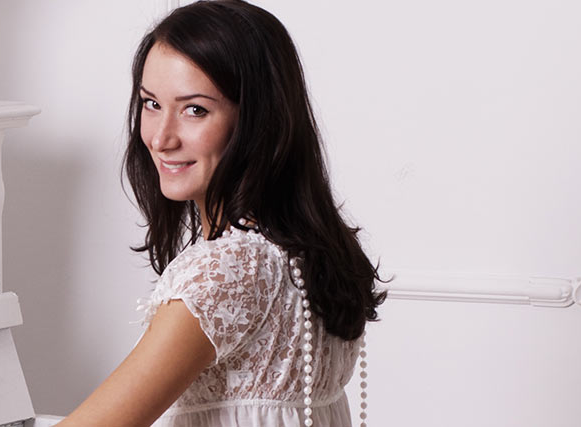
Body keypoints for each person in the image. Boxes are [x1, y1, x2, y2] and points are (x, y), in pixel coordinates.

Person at [56, 1, 385, 426]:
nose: (160, 138)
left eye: (195, 109)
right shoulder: (312, 253)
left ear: (257, 121)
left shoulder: (227, 269)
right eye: (151, 103)